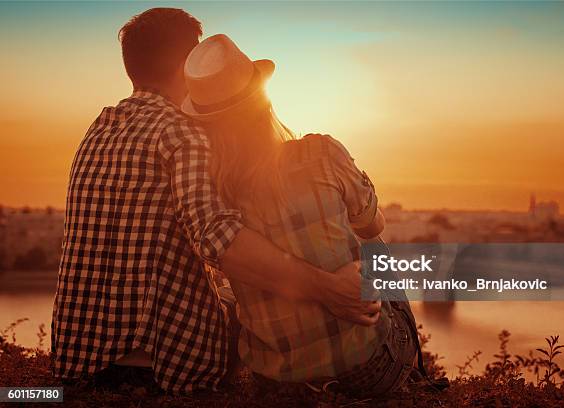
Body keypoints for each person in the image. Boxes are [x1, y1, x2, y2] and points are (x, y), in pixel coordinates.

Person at [52, 8, 379, 393]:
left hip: (80, 358)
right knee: (376, 253)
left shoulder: (100, 126)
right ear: (186, 66)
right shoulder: (182, 133)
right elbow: (219, 239)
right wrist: (328, 288)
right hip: (164, 363)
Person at [181, 34, 420, 397]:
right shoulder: (321, 152)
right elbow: (372, 225)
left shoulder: (214, 194)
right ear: (263, 100)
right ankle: (414, 375)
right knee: (378, 250)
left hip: (276, 383)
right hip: (367, 372)